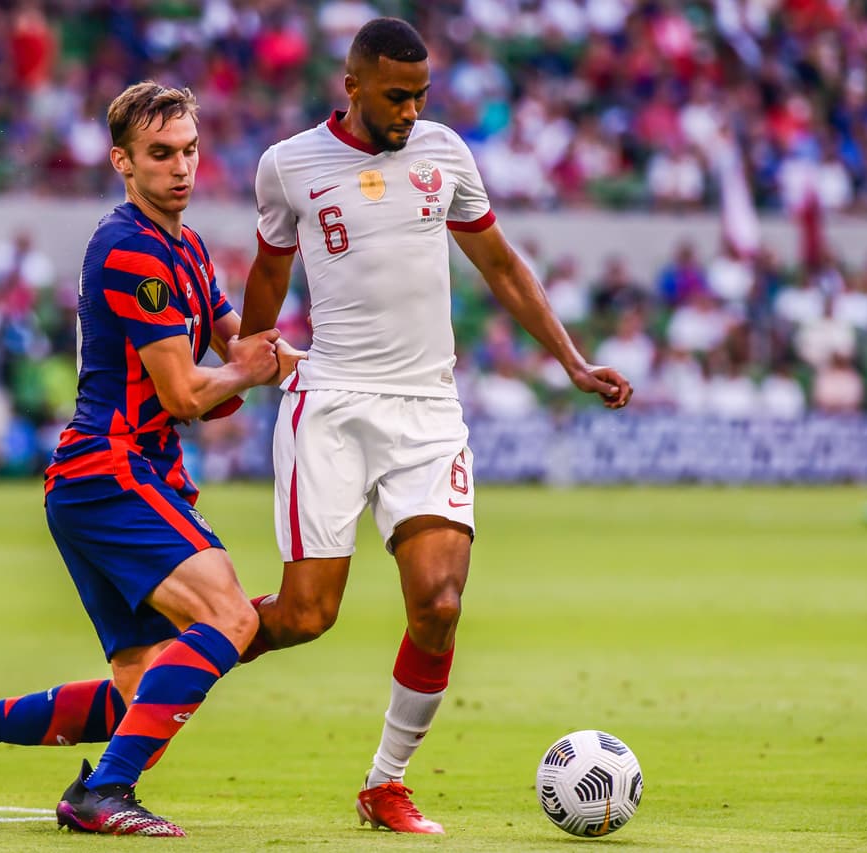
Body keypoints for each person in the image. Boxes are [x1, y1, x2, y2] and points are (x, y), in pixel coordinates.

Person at [237, 18, 634, 834]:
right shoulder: (289, 165)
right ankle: (168, 671)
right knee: (306, 615)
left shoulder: (446, 152)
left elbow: (500, 265)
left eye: (420, 95)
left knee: (441, 603)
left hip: (427, 409)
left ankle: (386, 782)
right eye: (394, 96)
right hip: (333, 402)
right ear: (351, 86)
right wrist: (242, 362)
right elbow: (269, 273)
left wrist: (571, 360)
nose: (410, 112)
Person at [0, 81, 285, 836]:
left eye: (191, 150)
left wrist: (321, 368)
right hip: (113, 470)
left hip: (116, 479)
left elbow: (242, 347)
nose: (181, 168)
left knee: (144, 692)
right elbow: (186, 390)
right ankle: (100, 793)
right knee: (228, 613)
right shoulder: (131, 247)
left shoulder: (187, 247)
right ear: (122, 162)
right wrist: (249, 372)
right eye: (161, 154)